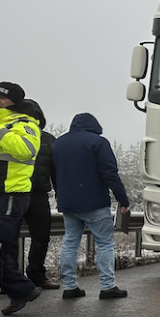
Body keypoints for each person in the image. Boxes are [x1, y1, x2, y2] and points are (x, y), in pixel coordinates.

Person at [53, 112, 130, 299]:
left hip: (68, 203)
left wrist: (59, 194)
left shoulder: (59, 143)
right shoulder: (97, 142)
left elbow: (55, 173)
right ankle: (108, 287)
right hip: (94, 202)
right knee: (104, 243)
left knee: (70, 243)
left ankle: (70, 287)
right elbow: (109, 172)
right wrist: (122, 198)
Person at [0, 82, 43, 315]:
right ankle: (20, 290)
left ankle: (20, 288)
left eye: (2, 97)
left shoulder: (26, 123)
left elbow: (25, 149)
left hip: (11, 193)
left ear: (15, 101)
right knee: (4, 249)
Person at [2, 99, 58, 289]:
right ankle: (11, 280)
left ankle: (36, 275)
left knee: (41, 236)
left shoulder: (49, 140)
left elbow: (55, 170)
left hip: (38, 195)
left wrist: (60, 194)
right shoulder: (9, 134)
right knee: (9, 239)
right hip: (13, 193)